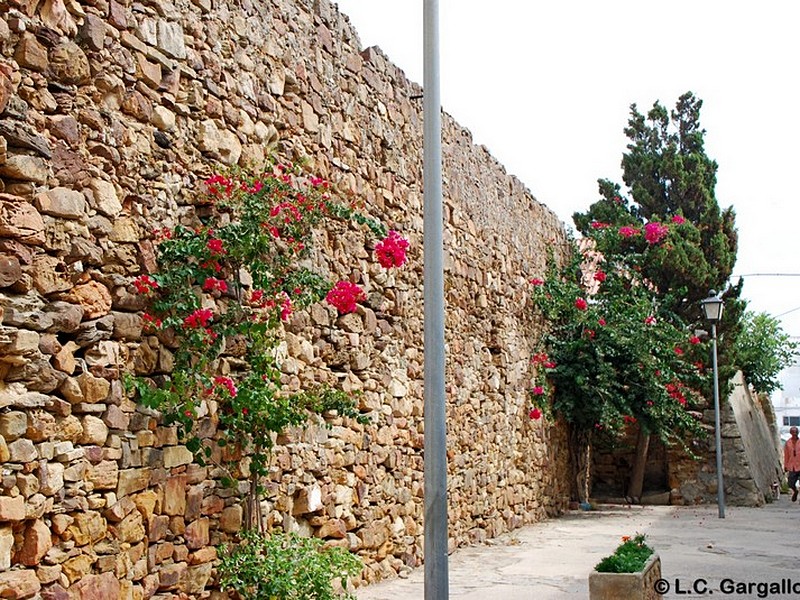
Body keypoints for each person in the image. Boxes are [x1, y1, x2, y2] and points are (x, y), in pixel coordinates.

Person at [784, 427, 800, 501]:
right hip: (792, 466)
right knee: (790, 483)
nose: (795, 434)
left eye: (796, 432)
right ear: (791, 433)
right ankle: (795, 491)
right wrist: (786, 465)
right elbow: (786, 455)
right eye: (793, 432)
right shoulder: (788, 443)